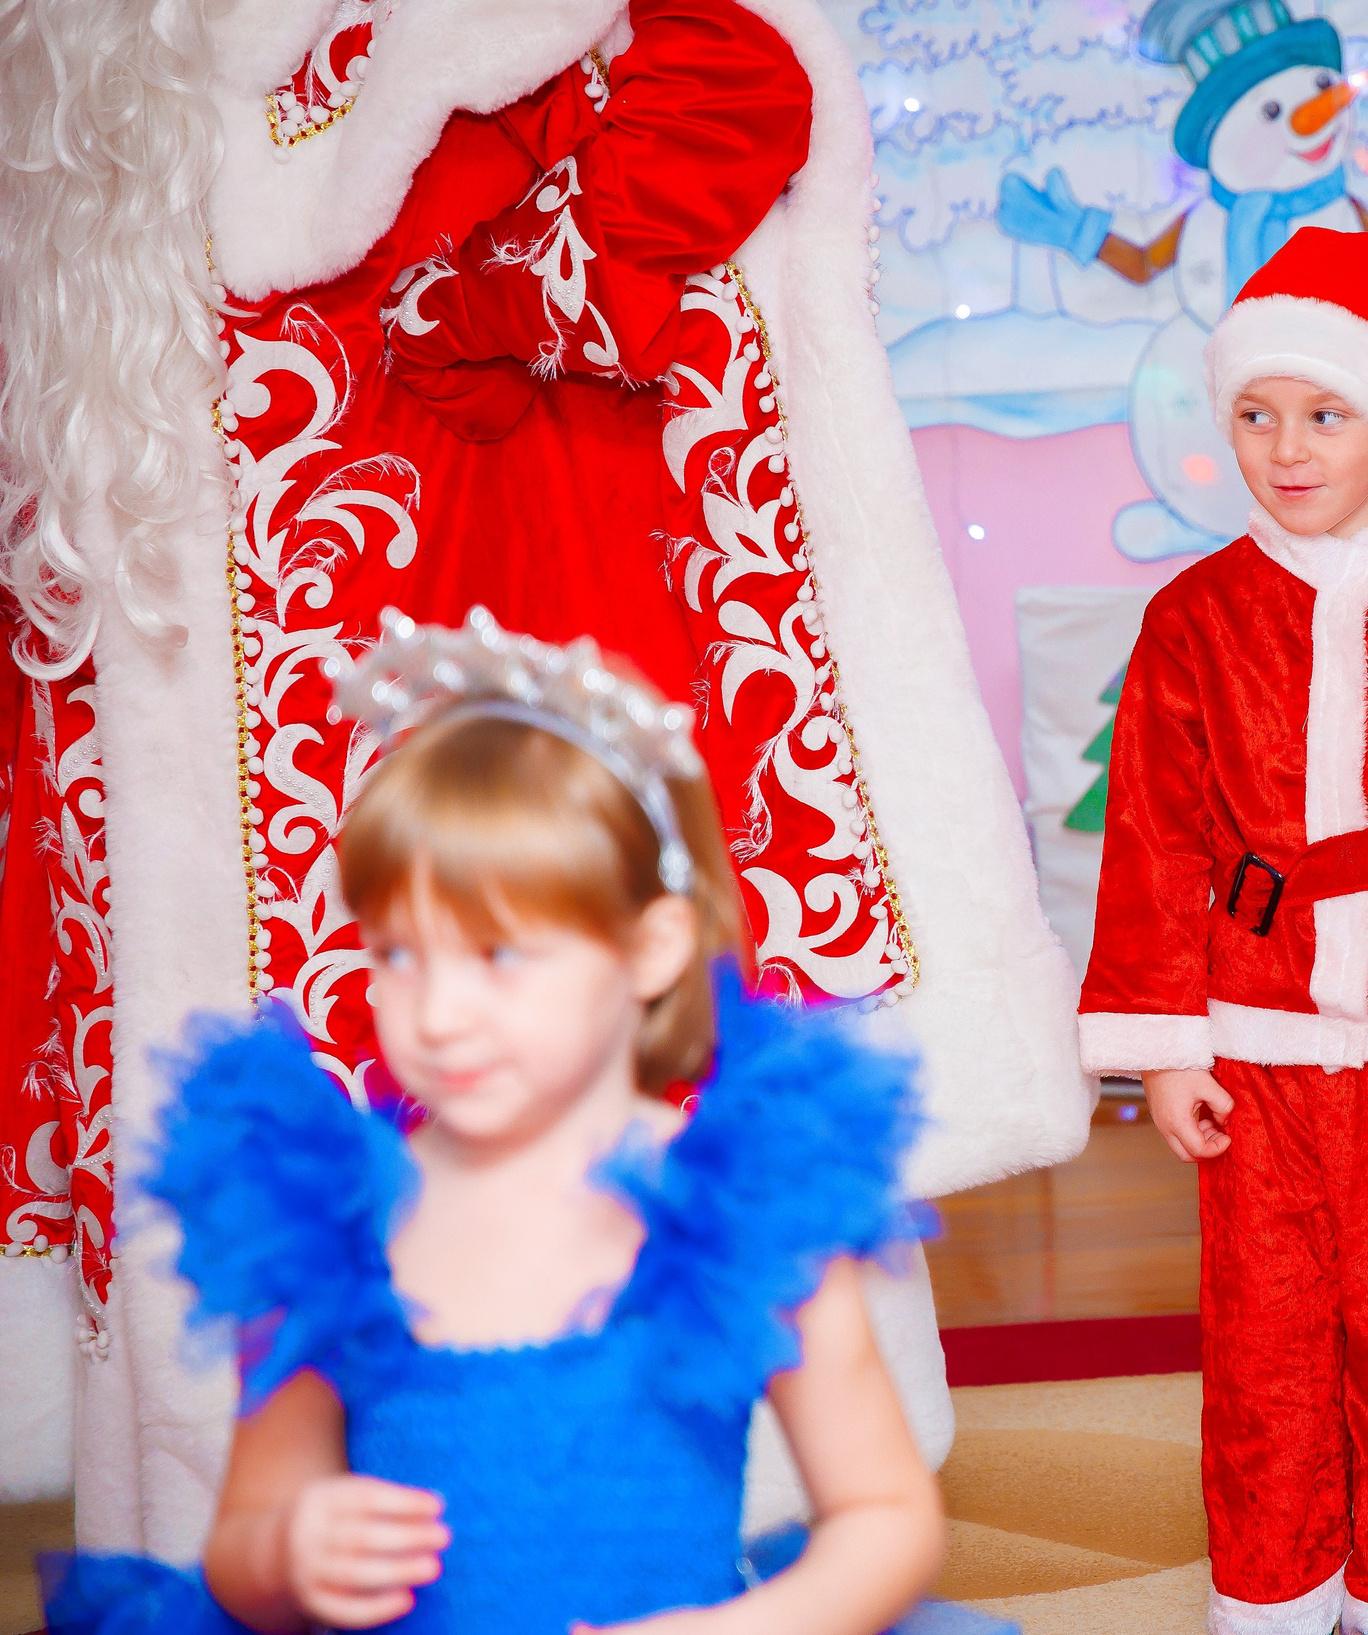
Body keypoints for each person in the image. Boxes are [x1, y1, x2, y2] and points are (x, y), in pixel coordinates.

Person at [0, 0, 1086, 1526]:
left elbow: (732, 77)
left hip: (451, 630)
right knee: (268, 1232)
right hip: (170, 662)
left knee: (520, 1079)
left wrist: (509, 291)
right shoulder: (86, 8)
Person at [38, 611, 989, 1635]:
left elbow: (885, 1516)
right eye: (399, 954)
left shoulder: (735, 1210)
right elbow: (244, 1539)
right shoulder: (335, 1222)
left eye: (498, 955)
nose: (438, 1014)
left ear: (654, 947)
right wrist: (285, 1550)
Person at [1076, 227, 1368, 1635]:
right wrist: (1162, 1047)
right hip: (1253, 1037)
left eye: (1325, 412)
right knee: (1267, 1340)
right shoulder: (1193, 616)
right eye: (1257, 414)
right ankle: (1274, 1589)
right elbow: (1154, 838)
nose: (1286, 446)